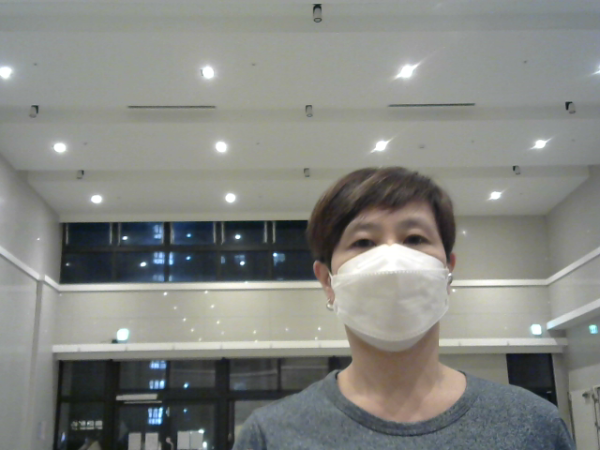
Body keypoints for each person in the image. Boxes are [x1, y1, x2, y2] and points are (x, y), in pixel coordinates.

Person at [233, 167, 575, 449]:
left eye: (414, 239)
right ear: (328, 281)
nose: (392, 260)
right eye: (363, 242)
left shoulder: (533, 426)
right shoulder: (271, 435)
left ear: (447, 271)